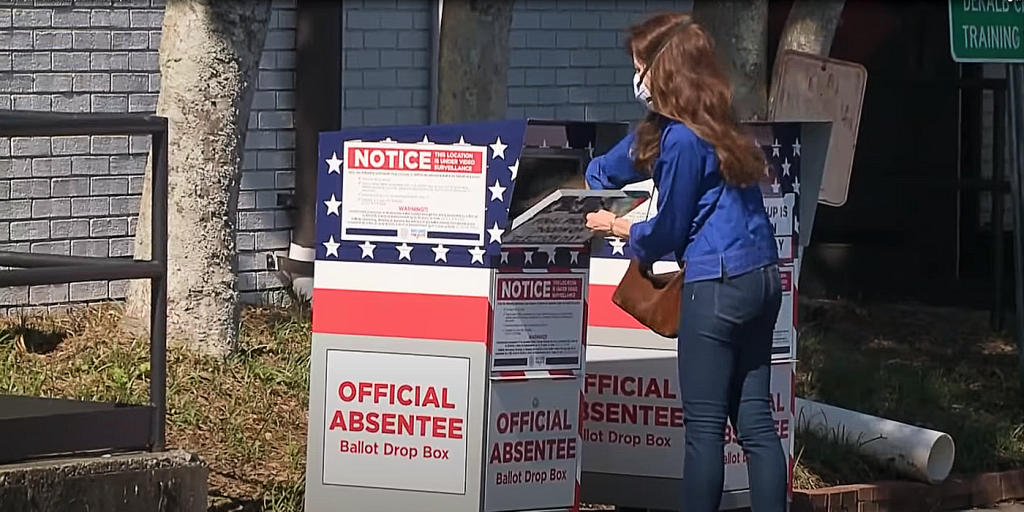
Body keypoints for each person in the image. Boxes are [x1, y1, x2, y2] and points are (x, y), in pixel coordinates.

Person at [583, 11, 787, 512]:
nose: (636, 80)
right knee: (757, 424)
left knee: (703, 433)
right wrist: (595, 172)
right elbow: (619, 160)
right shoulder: (714, 122)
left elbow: (669, 230)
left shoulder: (679, 140)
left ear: (664, 71)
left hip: (715, 286)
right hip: (762, 278)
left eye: (639, 68)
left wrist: (618, 227)